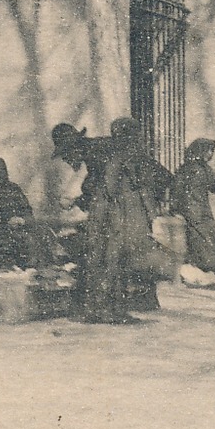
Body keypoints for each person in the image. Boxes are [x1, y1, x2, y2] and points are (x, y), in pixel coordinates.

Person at [79, 117, 167, 322]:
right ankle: (112, 310)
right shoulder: (126, 154)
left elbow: (91, 185)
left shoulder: (101, 151)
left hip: (100, 212)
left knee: (98, 258)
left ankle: (94, 308)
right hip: (117, 213)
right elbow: (121, 183)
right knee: (115, 260)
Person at [168, 139, 215, 280]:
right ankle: (209, 270)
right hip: (194, 211)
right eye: (209, 150)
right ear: (201, 151)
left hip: (200, 209)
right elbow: (178, 189)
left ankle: (210, 270)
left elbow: (213, 183)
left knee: (208, 239)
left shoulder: (196, 168)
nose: (211, 154)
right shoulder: (196, 169)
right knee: (203, 240)